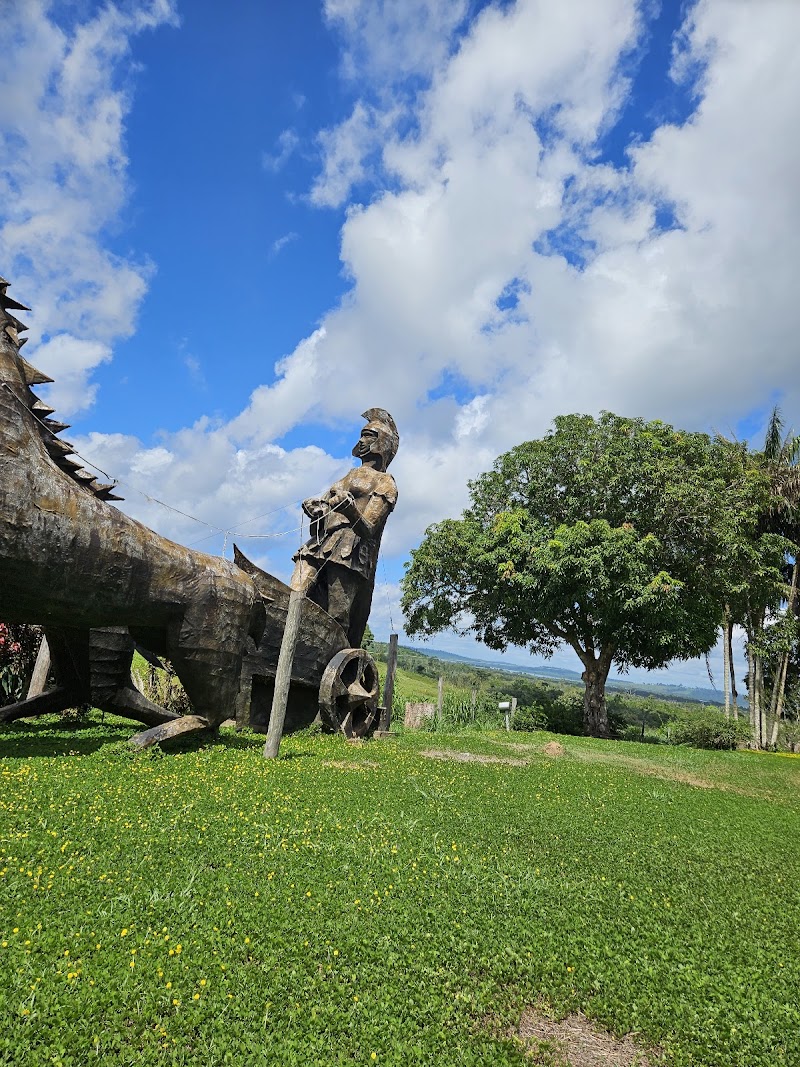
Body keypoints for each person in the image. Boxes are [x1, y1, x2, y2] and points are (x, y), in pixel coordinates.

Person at [291, 408, 399, 647]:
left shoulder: (386, 483)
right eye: (362, 435)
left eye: (369, 435)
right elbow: (322, 518)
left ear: (383, 442)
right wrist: (315, 511)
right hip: (319, 545)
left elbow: (369, 527)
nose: (362, 441)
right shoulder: (348, 476)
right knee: (295, 596)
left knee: (337, 616)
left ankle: (334, 663)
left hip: (350, 552)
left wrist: (350, 509)